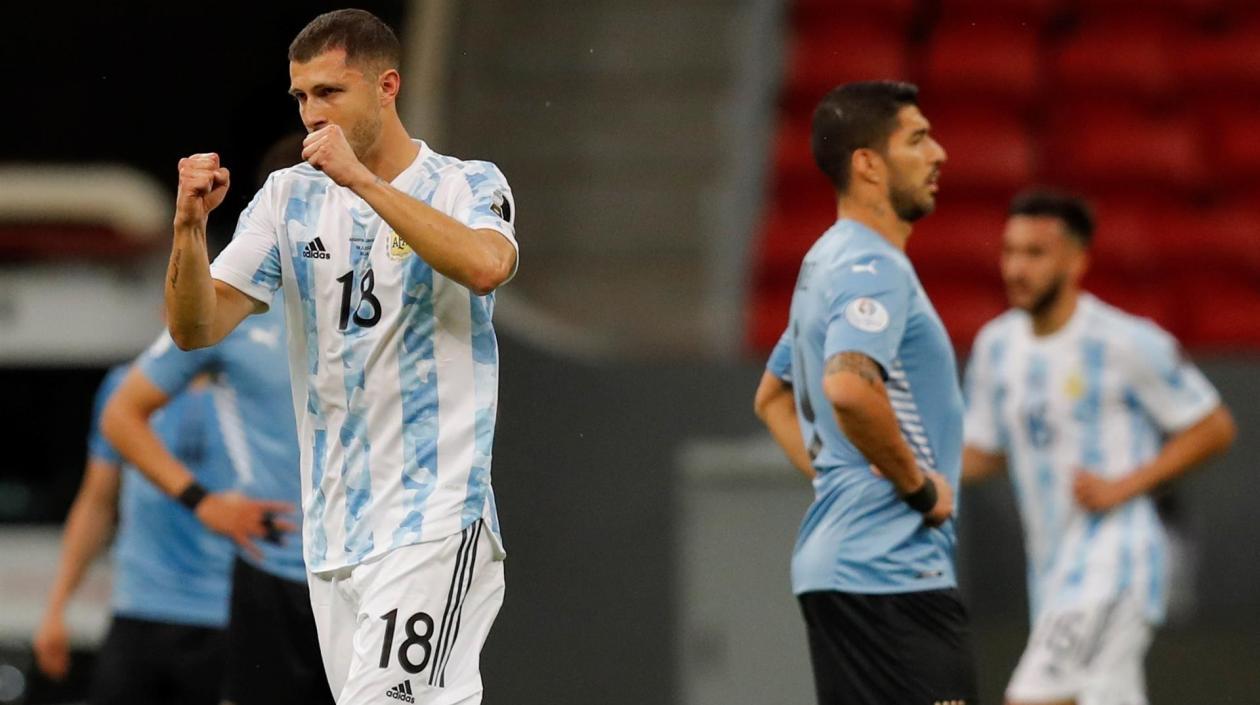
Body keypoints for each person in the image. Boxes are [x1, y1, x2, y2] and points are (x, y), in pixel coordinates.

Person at [163, 9, 517, 704]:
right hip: (332, 536)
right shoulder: (288, 199)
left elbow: (484, 265)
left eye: (330, 92)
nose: (310, 112)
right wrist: (189, 228)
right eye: (301, 96)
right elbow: (195, 327)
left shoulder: (467, 184)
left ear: (388, 87)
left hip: (433, 517)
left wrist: (361, 181)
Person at [962, 189, 1236, 705]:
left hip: (1116, 555)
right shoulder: (995, 347)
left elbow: (1213, 425)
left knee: (1033, 699)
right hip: (1051, 565)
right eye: (1009, 251)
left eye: (1035, 254)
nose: (1016, 268)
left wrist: (1124, 486)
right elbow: (988, 451)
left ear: (1076, 260)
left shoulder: (1124, 341)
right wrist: (905, 469)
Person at [753, 80, 977, 705]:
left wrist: (840, 481)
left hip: (845, 570)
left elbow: (771, 397)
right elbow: (849, 387)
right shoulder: (871, 268)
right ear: (868, 164)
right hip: (890, 574)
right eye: (918, 139)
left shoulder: (825, 263)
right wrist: (918, 488)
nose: (940, 155)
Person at [101, 301, 333, 705]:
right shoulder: (244, 299)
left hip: (371, 565)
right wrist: (203, 503)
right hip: (274, 570)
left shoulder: (368, 288)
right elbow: (120, 415)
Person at [33, 366, 234, 705]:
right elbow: (96, 501)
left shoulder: (260, 382)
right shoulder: (126, 386)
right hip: (139, 609)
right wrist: (56, 607)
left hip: (230, 614)